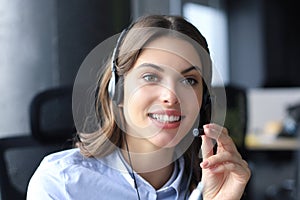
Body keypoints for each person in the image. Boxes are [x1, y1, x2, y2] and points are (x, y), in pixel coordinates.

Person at [27, 14, 251, 200]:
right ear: (119, 91)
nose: (170, 97)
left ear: (203, 100)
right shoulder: (62, 183)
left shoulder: (213, 183)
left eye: (189, 80)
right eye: (150, 76)